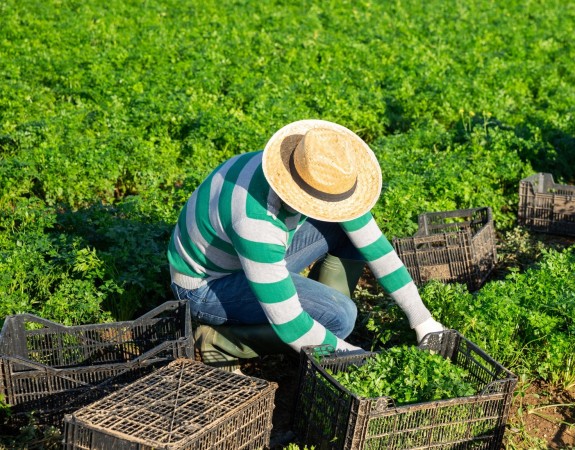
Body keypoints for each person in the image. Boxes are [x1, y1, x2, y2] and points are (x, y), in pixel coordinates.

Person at [167, 119, 445, 372]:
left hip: (245, 257)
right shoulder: (256, 223)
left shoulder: (309, 173)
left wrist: (423, 321)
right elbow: (291, 325)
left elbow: (376, 248)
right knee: (339, 317)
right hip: (207, 287)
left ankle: (321, 336)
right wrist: (360, 360)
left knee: (350, 237)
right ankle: (221, 342)